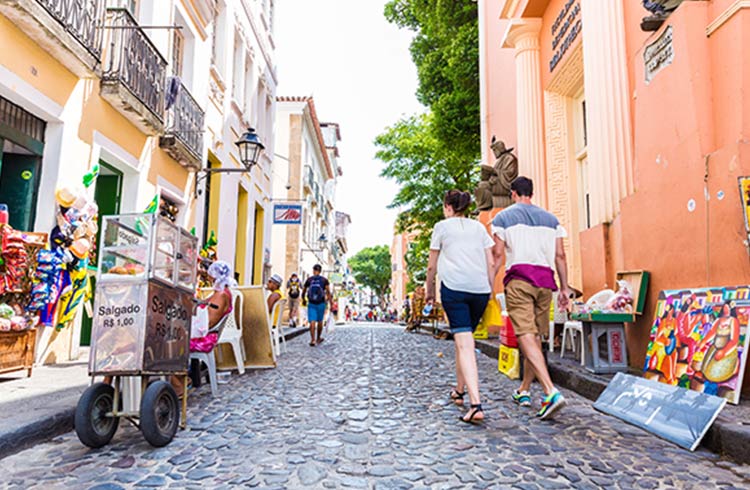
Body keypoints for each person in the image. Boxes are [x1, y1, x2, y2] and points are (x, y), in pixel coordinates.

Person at [491, 176, 571, 420]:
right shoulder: (551, 220)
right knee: (533, 337)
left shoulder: (502, 218)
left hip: (519, 279)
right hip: (545, 282)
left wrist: (487, 283)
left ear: (513, 193)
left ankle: (550, 392)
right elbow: (560, 256)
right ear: (531, 194)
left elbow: (497, 255)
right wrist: (565, 288)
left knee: (525, 335)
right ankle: (524, 390)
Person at [426, 190, 494, 424]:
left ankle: (476, 404)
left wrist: (429, 291)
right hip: (480, 290)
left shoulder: (441, 227)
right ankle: (459, 390)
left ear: (447, 206)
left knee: (465, 344)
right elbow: (491, 261)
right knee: (462, 339)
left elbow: (431, 266)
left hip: (454, 289)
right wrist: (490, 289)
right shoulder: (478, 228)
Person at [301, 264, 330, 346]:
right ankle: (318, 338)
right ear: (320, 271)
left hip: (311, 303)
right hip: (321, 303)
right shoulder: (324, 280)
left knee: (312, 321)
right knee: (320, 321)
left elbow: (304, 291)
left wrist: (303, 299)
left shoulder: (309, 280)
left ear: (313, 270)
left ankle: (312, 339)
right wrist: (329, 301)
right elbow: (328, 292)